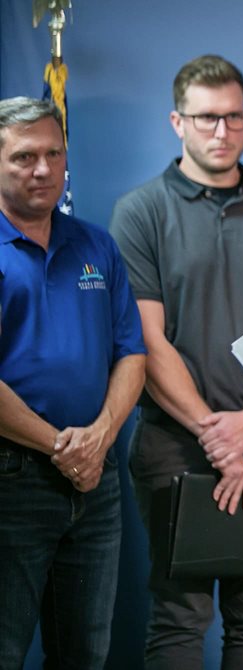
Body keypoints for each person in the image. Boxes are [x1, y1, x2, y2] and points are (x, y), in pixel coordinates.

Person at [108, 55, 243, 669]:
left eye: (234, 117)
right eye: (205, 118)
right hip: (175, 445)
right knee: (179, 616)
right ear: (177, 122)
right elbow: (147, 339)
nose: (221, 132)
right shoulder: (140, 212)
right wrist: (213, 432)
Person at [0, 97, 146, 669]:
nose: (42, 169)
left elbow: (131, 352)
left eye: (53, 154)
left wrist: (99, 438)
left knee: (85, 653)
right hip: (13, 479)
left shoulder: (95, 245)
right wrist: (59, 446)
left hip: (96, 481)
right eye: (23, 157)